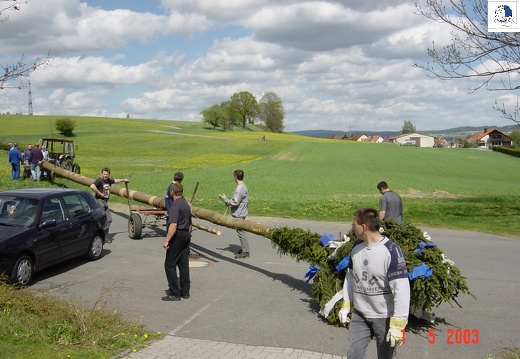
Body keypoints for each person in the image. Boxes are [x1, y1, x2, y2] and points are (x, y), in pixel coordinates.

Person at [339, 208, 410, 359]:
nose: (352, 228)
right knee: (353, 355)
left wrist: (398, 325)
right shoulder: (357, 248)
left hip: (384, 317)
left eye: (354, 225)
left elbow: (402, 290)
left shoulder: (391, 251)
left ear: (363, 227)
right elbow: (350, 277)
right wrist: (346, 304)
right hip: (360, 314)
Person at [162, 182, 192, 301]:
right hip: (186, 234)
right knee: (183, 264)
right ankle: (185, 291)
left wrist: (167, 240)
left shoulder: (175, 206)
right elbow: (190, 224)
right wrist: (187, 236)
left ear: (172, 192)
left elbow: (173, 225)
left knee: (169, 264)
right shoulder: (186, 205)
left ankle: (175, 293)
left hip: (178, 235)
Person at [90, 167, 129, 242]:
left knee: (109, 220)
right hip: (99, 201)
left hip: (105, 202)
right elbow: (92, 186)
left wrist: (123, 180)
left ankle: (103, 234)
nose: (105, 176)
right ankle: (100, 236)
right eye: (104, 174)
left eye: (107, 174)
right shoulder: (99, 180)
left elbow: (115, 181)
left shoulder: (108, 181)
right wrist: (99, 193)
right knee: (103, 219)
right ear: (102, 174)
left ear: (109, 174)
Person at [219, 169, 250, 259]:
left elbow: (234, 202)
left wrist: (224, 199)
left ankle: (245, 251)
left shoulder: (239, 189)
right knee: (240, 231)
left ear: (235, 177)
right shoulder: (243, 185)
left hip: (239, 214)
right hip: (241, 212)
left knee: (241, 232)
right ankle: (244, 249)